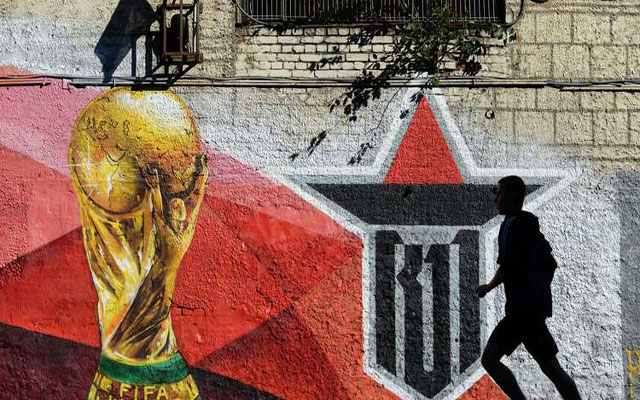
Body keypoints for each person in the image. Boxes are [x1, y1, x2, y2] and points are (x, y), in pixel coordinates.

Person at [478, 175, 582, 400]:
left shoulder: (514, 225)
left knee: (492, 359)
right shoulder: (523, 224)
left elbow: (510, 265)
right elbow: (548, 264)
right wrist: (536, 292)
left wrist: (489, 287)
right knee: (549, 366)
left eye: (499, 193)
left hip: (522, 314)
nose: (496, 198)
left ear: (513, 196)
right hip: (526, 312)